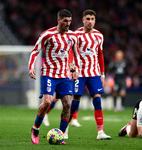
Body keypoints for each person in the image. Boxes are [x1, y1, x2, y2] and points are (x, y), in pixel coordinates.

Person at [28, 9, 80, 145]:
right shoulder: (47, 34)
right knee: (47, 102)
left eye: (69, 21)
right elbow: (35, 50)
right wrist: (31, 67)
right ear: (58, 20)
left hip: (64, 76)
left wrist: (76, 70)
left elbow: (76, 54)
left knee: (68, 103)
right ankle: (36, 128)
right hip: (48, 74)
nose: (68, 24)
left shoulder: (73, 36)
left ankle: (60, 135)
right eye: (65, 21)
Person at [67, 9, 111, 140]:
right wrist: (71, 66)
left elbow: (100, 55)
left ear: (95, 20)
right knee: (75, 102)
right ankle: (65, 129)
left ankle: (100, 132)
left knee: (97, 99)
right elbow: (70, 52)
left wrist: (103, 74)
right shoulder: (76, 34)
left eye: (92, 19)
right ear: (83, 20)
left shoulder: (99, 36)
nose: (90, 21)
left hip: (94, 73)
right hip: (79, 74)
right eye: (88, 19)